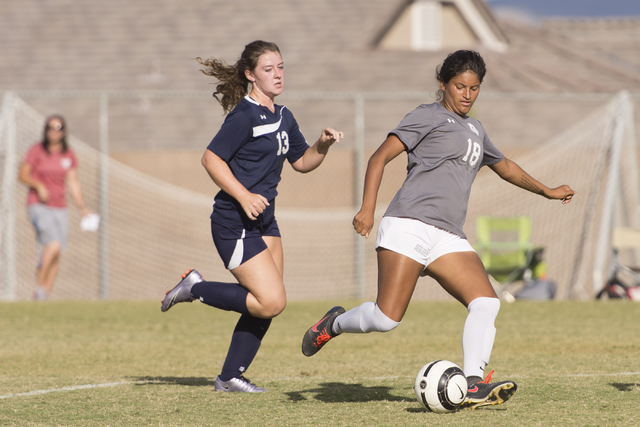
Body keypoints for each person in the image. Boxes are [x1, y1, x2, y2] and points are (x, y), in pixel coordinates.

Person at [301, 50, 576, 409]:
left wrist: (548, 191)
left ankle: (474, 382)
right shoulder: (426, 116)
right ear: (443, 84)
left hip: (448, 235)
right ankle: (333, 325)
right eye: (460, 86)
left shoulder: (477, 129)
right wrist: (367, 208)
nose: (467, 94)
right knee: (386, 319)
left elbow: (504, 166)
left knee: (486, 302)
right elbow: (379, 157)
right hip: (408, 224)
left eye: (474, 88)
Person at [161, 40, 344, 393]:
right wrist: (243, 196)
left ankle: (229, 377)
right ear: (250, 75)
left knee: (265, 304)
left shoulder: (283, 115)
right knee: (272, 300)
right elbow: (211, 159)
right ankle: (194, 288)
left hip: (264, 221)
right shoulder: (243, 116)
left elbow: (302, 162)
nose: (277, 74)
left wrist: (322, 144)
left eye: (281, 67)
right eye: (268, 69)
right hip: (233, 221)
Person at [18, 115, 91, 300]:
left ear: (63, 131)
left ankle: (45, 293)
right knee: (53, 244)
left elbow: (73, 182)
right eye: (50, 127)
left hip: (60, 206)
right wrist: (39, 186)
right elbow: (23, 174)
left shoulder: (68, 154)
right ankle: (39, 289)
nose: (53, 131)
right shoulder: (37, 151)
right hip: (38, 204)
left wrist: (82, 207)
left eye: (57, 128)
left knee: (58, 251)